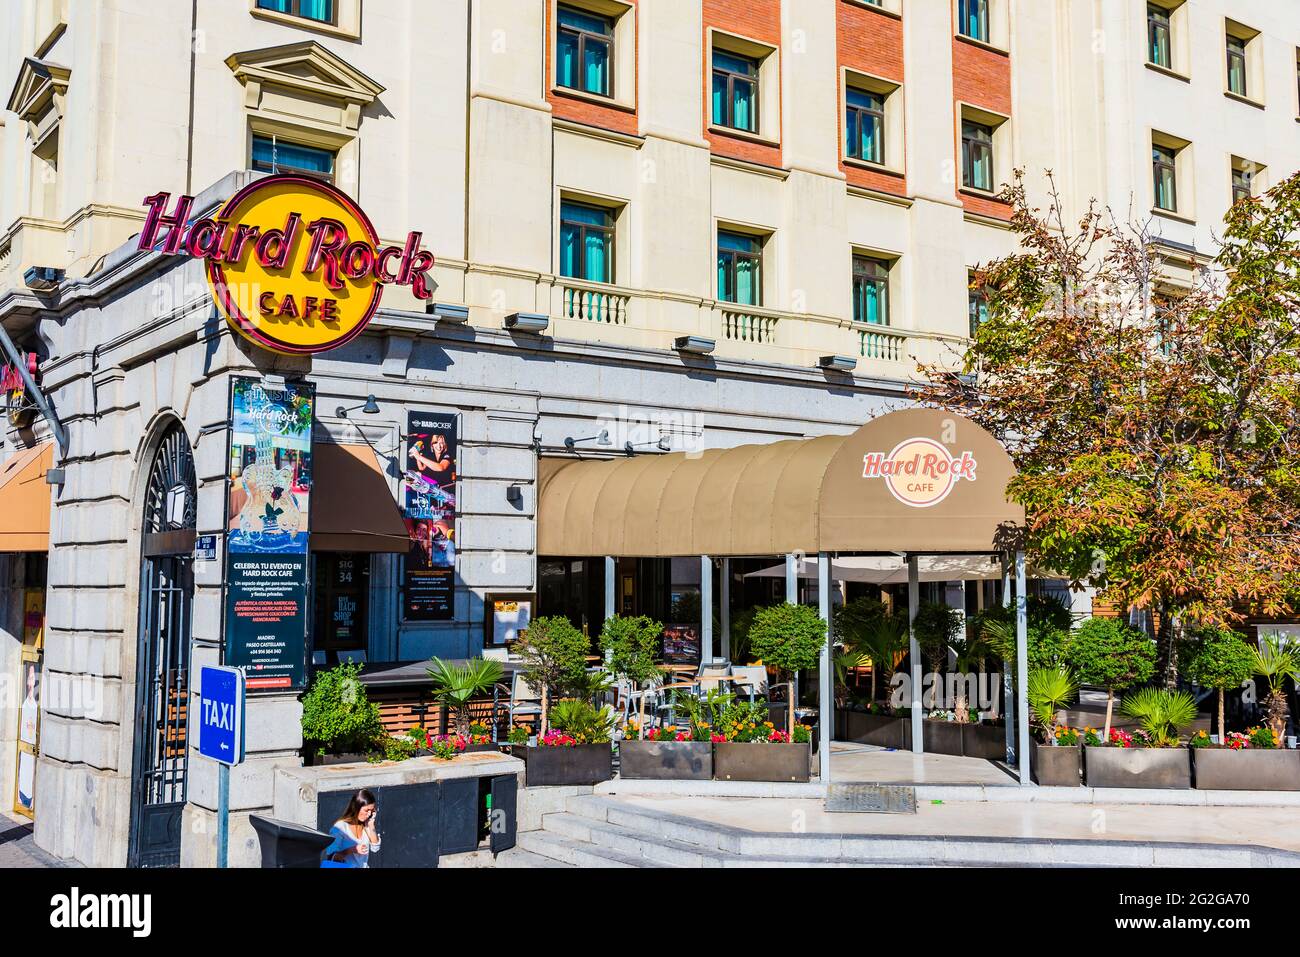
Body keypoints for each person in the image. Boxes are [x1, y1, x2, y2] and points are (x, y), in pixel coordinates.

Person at [321, 789, 381, 868]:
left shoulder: (366, 825)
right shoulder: (340, 827)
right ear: (356, 808)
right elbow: (332, 858)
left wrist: (371, 824)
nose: (369, 814)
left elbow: (375, 848)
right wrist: (353, 849)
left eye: (372, 810)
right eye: (367, 810)